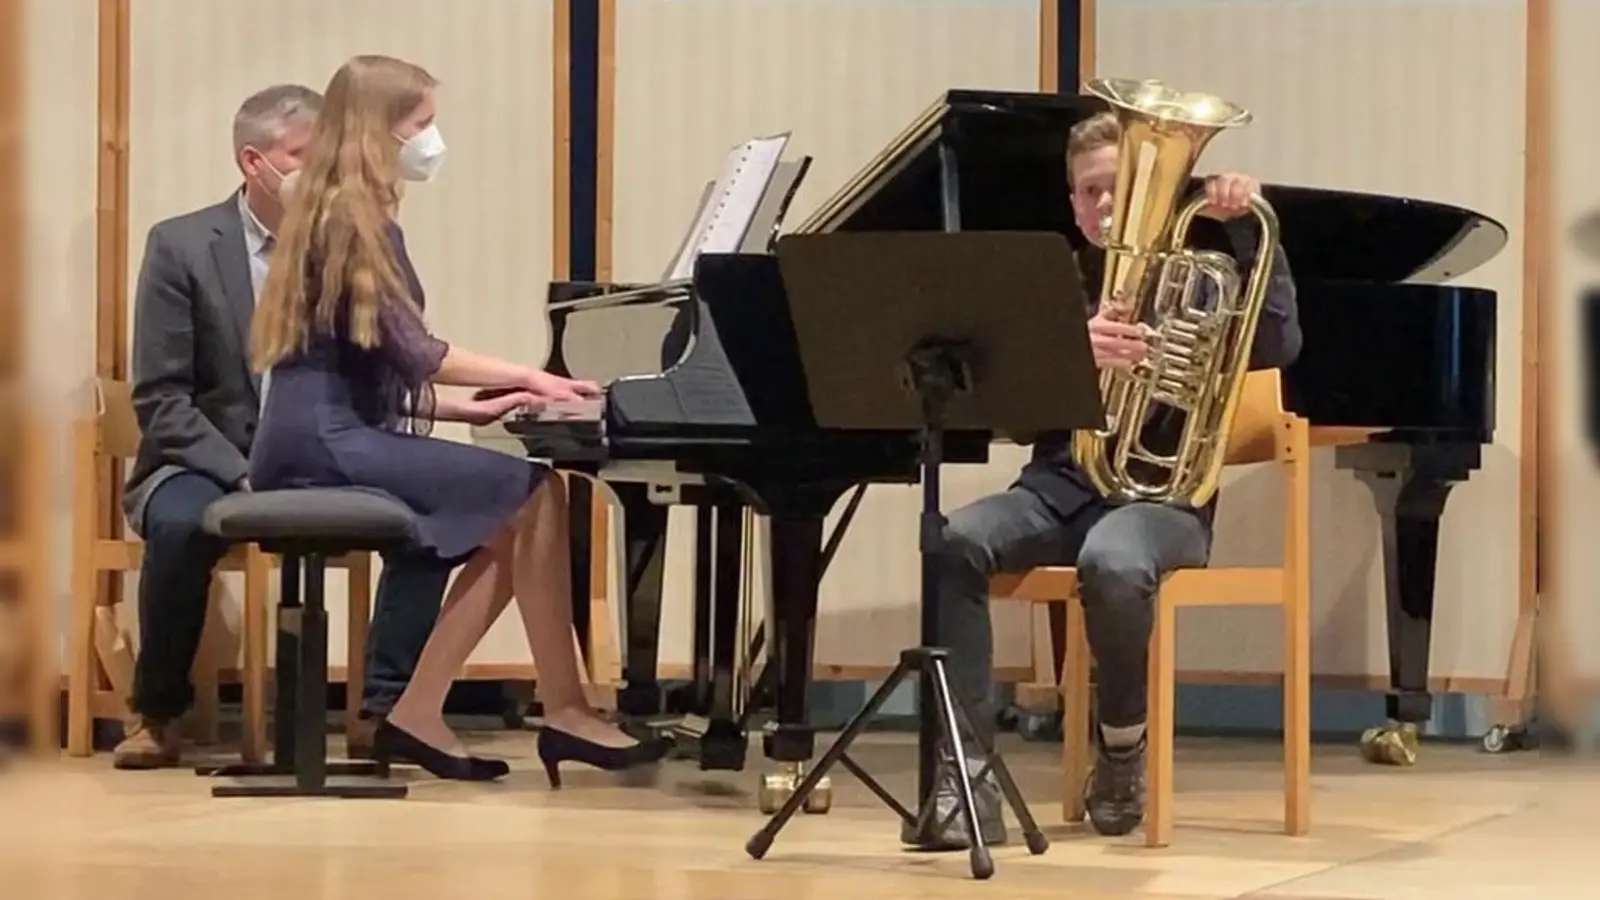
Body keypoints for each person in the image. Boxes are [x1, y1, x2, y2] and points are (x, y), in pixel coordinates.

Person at [248, 54, 663, 784]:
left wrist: (469, 406)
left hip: (322, 430)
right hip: (323, 443)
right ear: (379, 131)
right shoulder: (349, 216)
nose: (431, 142)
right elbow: (417, 350)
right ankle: (559, 709)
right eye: (422, 125)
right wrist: (535, 375)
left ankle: (430, 710)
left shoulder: (335, 207)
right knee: (534, 496)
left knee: (525, 510)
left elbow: (368, 364)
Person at [914, 111, 1302, 846]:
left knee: (1114, 561)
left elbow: (1279, 343)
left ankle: (1121, 747)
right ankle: (965, 776)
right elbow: (1011, 417)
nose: (1104, 206)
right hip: (1056, 491)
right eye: (1089, 192)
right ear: (1072, 203)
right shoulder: (1049, 280)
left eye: (1118, 188)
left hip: (1163, 500)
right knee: (952, 541)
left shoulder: (1205, 266)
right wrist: (1068, 354)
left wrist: (1250, 230)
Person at [117, 84, 449, 769]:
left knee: (431, 513)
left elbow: (399, 357)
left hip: (329, 449)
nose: (320, 170)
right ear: (253, 162)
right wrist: (245, 472)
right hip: (208, 459)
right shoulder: (182, 246)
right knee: (180, 525)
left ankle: (384, 708)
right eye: (301, 155)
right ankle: (157, 711)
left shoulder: (360, 238)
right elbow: (163, 400)